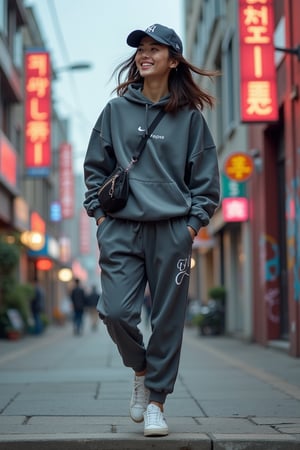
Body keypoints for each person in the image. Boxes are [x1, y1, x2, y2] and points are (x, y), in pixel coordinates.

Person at [83, 23, 220, 437]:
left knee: (166, 320)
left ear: (173, 60)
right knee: (115, 312)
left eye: (154, 49)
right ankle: (141, 371)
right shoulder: (116, 110)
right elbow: (95, 169)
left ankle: (157, 402)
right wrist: (101, 218)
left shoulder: (191, 120)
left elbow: (206, 182)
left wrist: (191, 226)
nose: (145, 54)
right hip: (121, 228)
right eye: (141, 48)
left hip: (172, 231)